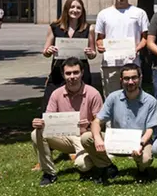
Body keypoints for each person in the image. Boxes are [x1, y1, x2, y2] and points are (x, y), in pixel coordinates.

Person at [82, 64, 157, 184]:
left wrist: (141, 144)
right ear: (121, 80)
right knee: (86, 138)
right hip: (116, 141)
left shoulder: (151, 101)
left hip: (140, 142)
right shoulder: (113, 97)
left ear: (140, 78)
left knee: (145, 160)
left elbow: (150, 129)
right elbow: (97, 121)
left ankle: (142, 170)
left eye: (134, 78)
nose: (130, 82)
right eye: (126, 78)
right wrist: (97, 139)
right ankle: (107, 166)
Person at [31, 58, 103, 186]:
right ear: (63, 75)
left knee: (82, 166)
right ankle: (49, 173)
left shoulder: (93, 93)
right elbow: (49, 119)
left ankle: (94, 162)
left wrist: (89, 124)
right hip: (64, 137)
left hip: (85, 137)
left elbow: (101, 122)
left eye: (76, 72)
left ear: (82, 73)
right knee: (36, 133)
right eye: (68, 73)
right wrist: (40, 123)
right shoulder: (56, 94)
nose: (72, 77)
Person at [95, 0, 149, 98]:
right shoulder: (103, 14)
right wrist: (100, 46)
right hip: (110, 64)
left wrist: (136, 49)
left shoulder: (139, 13)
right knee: (112, 98)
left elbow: (145, 38)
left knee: (133, 98)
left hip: (132, 63)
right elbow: (100, 38)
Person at [41, 0, 97, 109]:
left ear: (82, 10)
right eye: (72, 7)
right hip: (59, 72)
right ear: (66, 9)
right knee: (50, 105)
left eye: (78, 8)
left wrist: (90, 53)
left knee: (81, 105)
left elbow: (93, 54)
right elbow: (45, 52)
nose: (75, 10)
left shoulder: (88, 28)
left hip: (80, 72)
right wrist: (49, 51)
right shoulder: (54, 27)